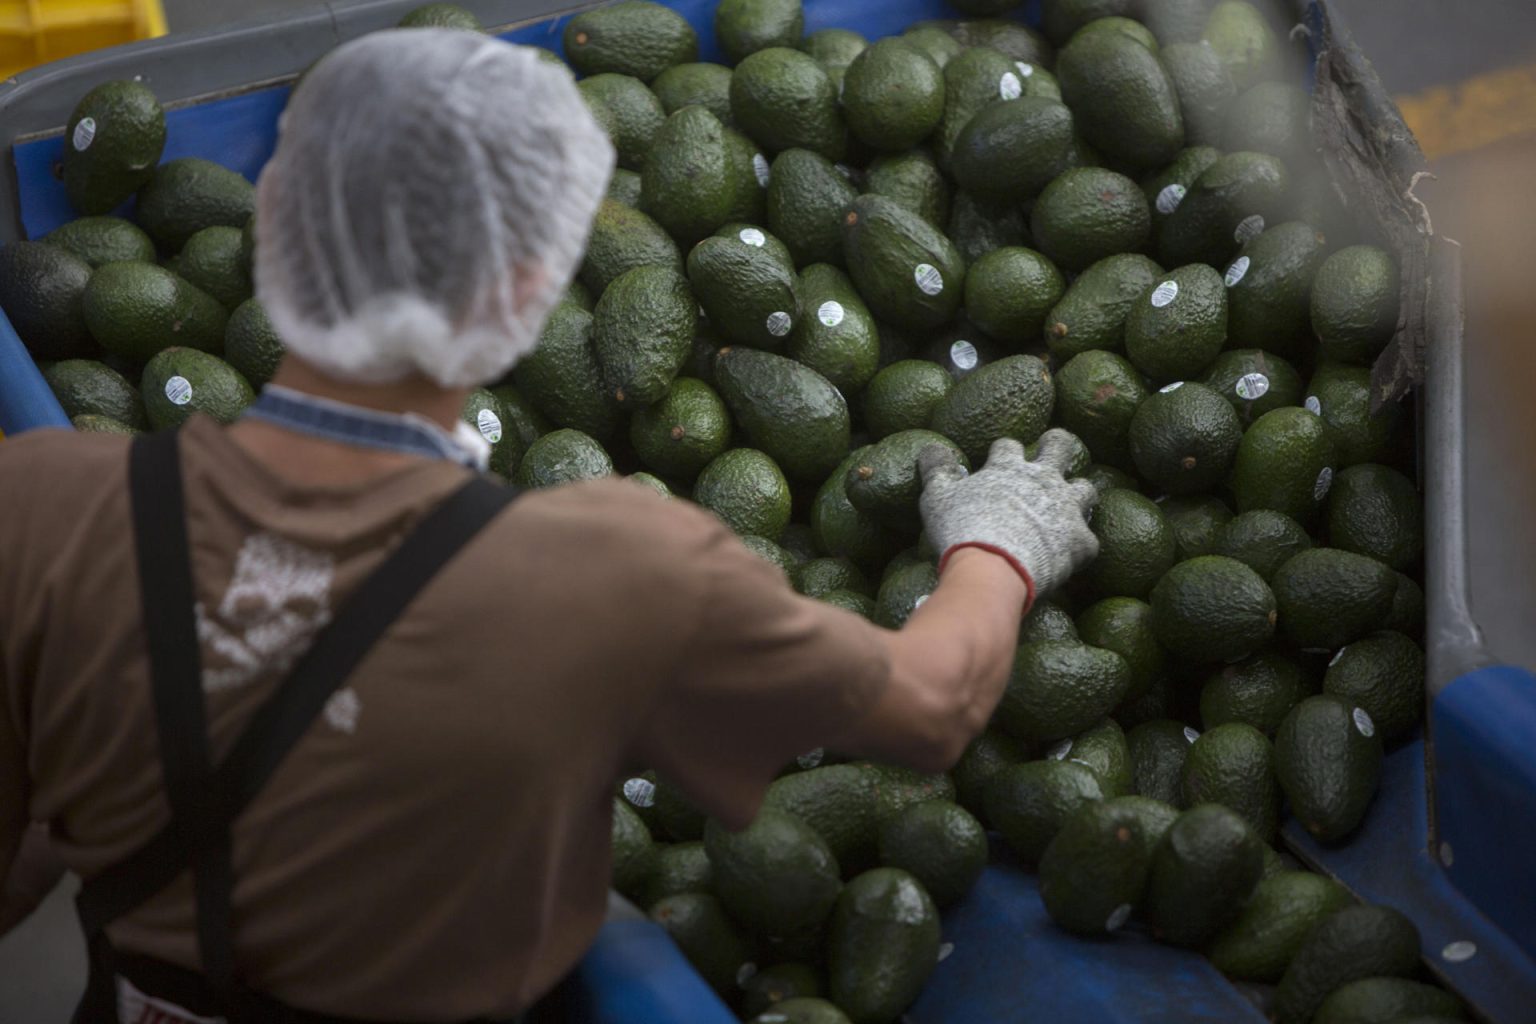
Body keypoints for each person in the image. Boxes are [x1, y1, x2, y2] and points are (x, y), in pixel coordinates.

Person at [0, 28, 1098, 1024]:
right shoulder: (616, 567)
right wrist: (1000, 536)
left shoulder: (45, 500)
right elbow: (933, 705)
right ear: (528, 295)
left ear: (274, 225)